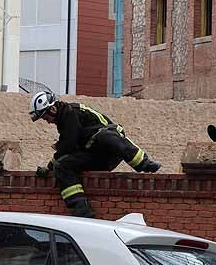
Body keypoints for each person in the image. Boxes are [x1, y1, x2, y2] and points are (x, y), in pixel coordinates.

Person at [30, 91, 160, 219]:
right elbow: (68, 146)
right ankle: (81, 208)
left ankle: (145, 163)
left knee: (103, 136)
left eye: (46, 118)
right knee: (62, 165)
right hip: (96, 156)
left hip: (111, 148)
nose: (47, 122)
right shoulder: (63, 122)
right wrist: (51, 167)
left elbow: (68, 145)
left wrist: (49, 165)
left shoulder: (71, 113)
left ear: (52, 109)